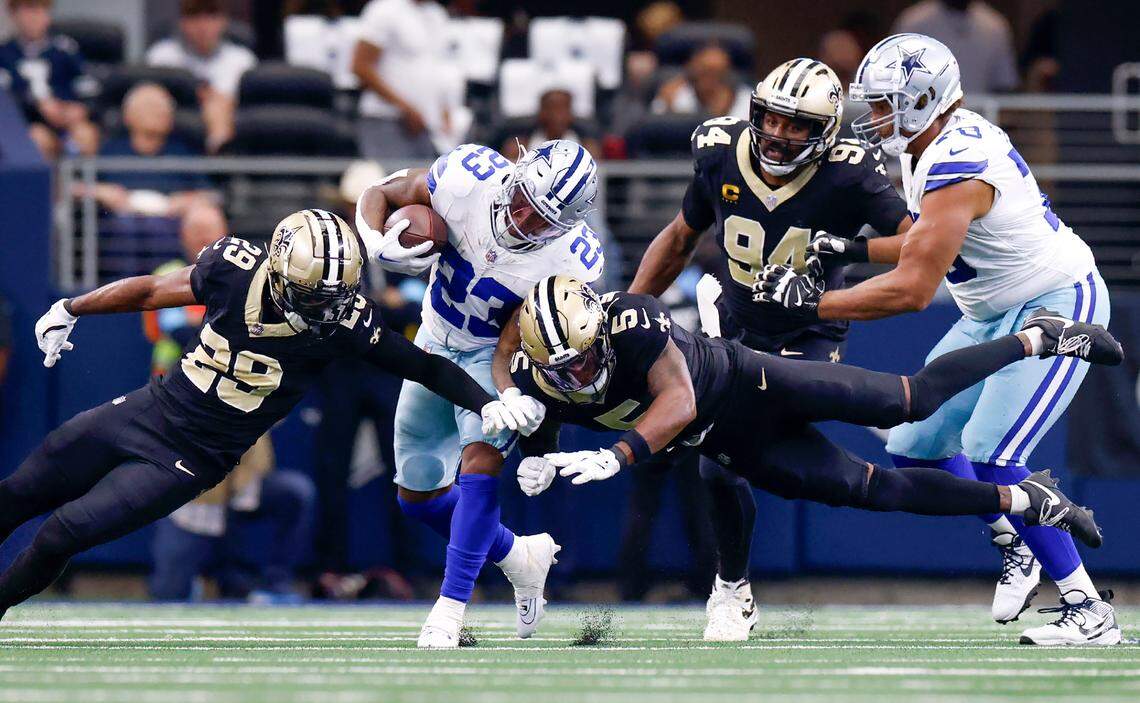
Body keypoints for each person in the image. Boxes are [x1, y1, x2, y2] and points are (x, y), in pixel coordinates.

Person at [506, 277, 1120, 646]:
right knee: (875, 491)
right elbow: (540, 422)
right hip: (736, 442)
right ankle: (1029, 501)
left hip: (753, 383)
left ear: (599, 330)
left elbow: (680, 401)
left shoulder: (631, 321)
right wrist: (538, 454)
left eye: (585, 357)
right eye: (563, 370)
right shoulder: (542, 381)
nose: (580, 374)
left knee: (907, 402)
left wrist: (619, 455)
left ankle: (1041, 337)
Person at [756, 33, 1121, 646]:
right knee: (915, 442)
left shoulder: (956, 162)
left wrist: (812, 303)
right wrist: (852, 248)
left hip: (1056, 305)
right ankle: (1015, 540)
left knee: (993, 453)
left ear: (924, 100)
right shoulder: (934, 142)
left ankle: (1090, 610)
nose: (873, 119)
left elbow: (914, 290)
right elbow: (928, 236)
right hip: (989, 311)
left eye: (884, 105)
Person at [0, 208, 513, 621]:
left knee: (62, 533)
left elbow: (425, 367)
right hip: (148, 410)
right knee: (19, 493)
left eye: (335, 296)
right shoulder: (233, 268)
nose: (326, 308)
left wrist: (490, 402)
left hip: (188, 459)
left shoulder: (343, 324)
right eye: (315, 296)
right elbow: (154, 291)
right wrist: (73, 308)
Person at [629, 58, 912, 641]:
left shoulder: (851, 172)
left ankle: (900, 434)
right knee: (719, 462)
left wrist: (843, 249)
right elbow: (681, 237)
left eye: (798, 124)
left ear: (829, 131)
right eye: (771, 118)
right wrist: (628, 307)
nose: (780, 134)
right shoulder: (719, 151)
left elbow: (916, 242)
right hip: (735, 328)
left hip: (809, 332)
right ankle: (732, 590)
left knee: (763, 454)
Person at [354, 138, 604, 647]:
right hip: (431, 342)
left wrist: (510, 391)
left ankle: (449, 612)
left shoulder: (572, 259)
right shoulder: (469, 178)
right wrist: (376, 241)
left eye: (541, 221)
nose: (523, 222)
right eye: (523, 204)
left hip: (495, 354)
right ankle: (517, 556)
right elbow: (380, 192)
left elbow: (517, 338)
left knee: (480, 464)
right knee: (417, 497)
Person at [142, 204, 316, 603]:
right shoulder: (170, 272)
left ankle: (272, 586)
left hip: (239, 439)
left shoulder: (252, 276)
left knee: (292, 493)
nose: (203, 239)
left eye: (211, 230)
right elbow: (170, 324)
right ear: (184, 237)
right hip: (183, 428)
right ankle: (184, 581)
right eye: (196, 230)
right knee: (168, 590)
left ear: (226, 233)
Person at [75, 83, 213, 217]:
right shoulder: (110, 151)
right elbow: (76, 188)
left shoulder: (182, 152)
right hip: (119, 227)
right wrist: (102, 192)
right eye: (152, 107)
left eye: (167, 107)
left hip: (170, 225)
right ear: (128, 115)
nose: (162, 111)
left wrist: (185, 200)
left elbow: (210, 195)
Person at [146, 0, 258, 152]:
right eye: (194, 16)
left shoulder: (242, 59)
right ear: (182, 22)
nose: (203, 25)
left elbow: (243, 104)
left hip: (226, 121)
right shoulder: (161, 55)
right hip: (171, 131)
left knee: (219, 105)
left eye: (211, 15)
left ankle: (222, 158)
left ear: (224, 21)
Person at [351, 0, 450, 159]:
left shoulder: (437, 14)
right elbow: (360, 66)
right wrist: (405, 108)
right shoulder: (383, 9)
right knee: (393, 180)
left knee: (429, 182)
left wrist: (444, 110)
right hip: (386, 119)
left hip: (427, 124)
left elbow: (437, 67)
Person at [0, 0, 97, 159]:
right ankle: (46, 183)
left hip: (66, 122)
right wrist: (38, 106)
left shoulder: (64, 49)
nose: (35, 17)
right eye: (29, 10)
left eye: (42, 10)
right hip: (30, 124)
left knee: (85, 135)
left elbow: (88, 86)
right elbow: (7, 100)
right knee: (36, 139)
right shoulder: (5, 55)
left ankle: (84, 182)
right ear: (14, 14)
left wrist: (80, 108)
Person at [892, 0, 1018, 94]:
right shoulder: (914, 22)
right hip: (923, 119)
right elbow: (892, 78)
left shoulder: (995, 26)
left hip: (979, 119)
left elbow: (1004, 85)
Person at [497, 89, 601, 163]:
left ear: (571, 115)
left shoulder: (588, 150)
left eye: (563, 109)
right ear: (541, 113)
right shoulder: (517, 149)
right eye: (552, 109)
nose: (557, 117)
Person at [651, 44, 751, 120]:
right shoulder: (671, 94)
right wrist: (667, 106)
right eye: (704, 71)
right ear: (692, 69)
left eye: (716, 73)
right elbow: (653, 128)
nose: (708, 79)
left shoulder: (748, 100)